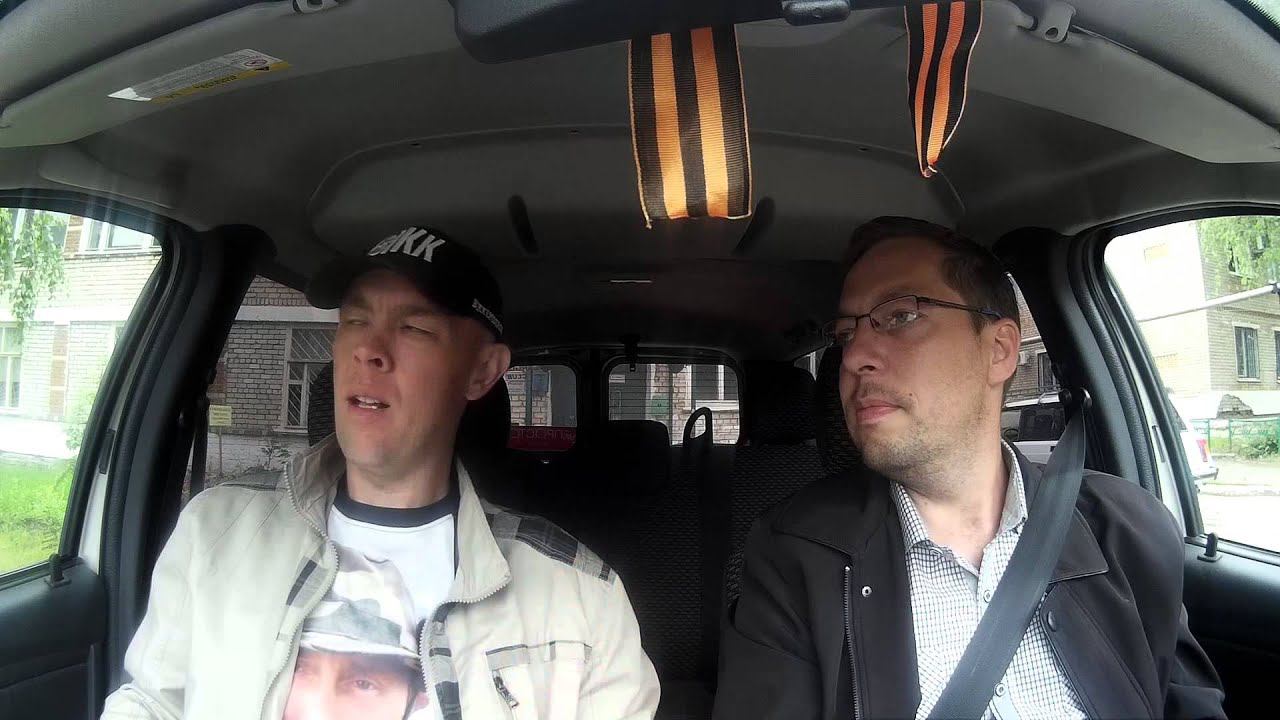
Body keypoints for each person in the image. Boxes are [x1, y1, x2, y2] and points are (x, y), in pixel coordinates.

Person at [103, 225, 660, 719]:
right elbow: (153, 703)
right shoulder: (215, 532)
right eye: (355, 320)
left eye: (414, 328)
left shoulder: (582, 603)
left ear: (481, 371)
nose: (368, 349)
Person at [712, 217, 1226, 719]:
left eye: (900, 316)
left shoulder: (1128, 529)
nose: (853, 357)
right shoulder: (794, 554)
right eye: (846, 335)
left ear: (999, 350)